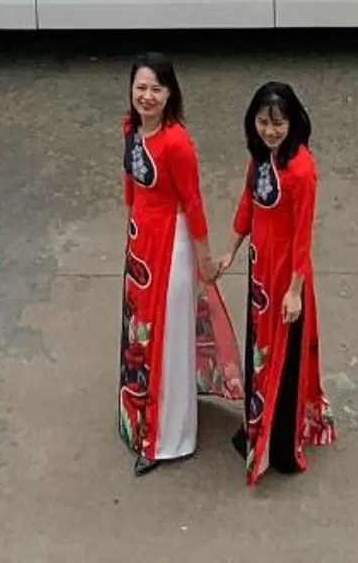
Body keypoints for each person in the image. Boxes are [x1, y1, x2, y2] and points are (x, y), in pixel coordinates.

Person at [205, 81, 335, 485]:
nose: (271, 130)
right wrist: (231, 250)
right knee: (259, 350)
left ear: (293, 122)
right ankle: (256, 425)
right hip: (260, 274)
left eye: (278, 123)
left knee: (283, 355)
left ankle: (281, 444)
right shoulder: (261, 159)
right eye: (263, 122)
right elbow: (248, 205)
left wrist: (295, 291)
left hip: (285, 279)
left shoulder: (302, 170)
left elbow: (302, 235)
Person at [117, 54, 238, 475]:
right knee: (141, 333)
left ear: (171, 94)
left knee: (166, 338)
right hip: (141, 244)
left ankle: (168, 439)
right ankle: (142, 419)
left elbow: (194, 202)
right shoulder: (131, 129)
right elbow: (130, 183)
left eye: (156, 89)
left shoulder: (177, 144)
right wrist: (131, 220)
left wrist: (204, 259)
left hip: (172, 245)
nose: (147, 96)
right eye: (141, 87)